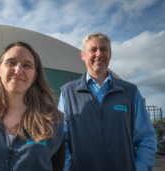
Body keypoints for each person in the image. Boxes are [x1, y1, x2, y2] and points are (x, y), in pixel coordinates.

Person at [0, 41, 65, 171]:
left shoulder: (53, 120)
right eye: (11, 63)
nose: (18, 70)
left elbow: (57, 167)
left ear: (34, 76)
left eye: (27, 65)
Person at [58, 32, 157, 171]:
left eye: (104, 49)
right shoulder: (68, 93)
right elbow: (61, 141)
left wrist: (139, 168)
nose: (99, 54)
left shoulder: (130, 92)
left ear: (110, 54)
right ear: (83, 55)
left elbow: (147, 139)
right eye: (93, 50)